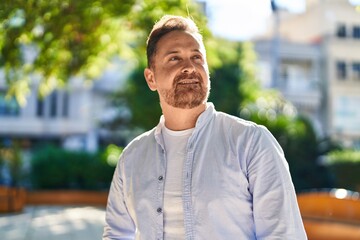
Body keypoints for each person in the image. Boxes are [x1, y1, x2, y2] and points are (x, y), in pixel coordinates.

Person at [103, 15, 307, 240]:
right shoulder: (132, 158)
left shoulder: (251, 142)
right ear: (151, 78)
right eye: (174, 59)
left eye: (197, 57)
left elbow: (284, 235)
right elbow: (116, 235)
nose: (189, 67)